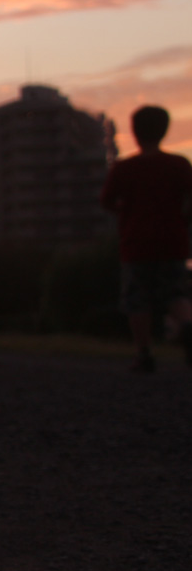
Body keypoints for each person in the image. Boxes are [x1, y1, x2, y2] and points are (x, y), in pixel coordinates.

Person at [100, 105, 192, 372]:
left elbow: (106, 201)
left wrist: (124, 213)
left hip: (136, 242)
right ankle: (187, 326)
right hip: (173, 240)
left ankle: (144, 353)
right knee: (175, 293)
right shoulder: (178, 164)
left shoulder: (124, 169)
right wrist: (184, 219)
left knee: (137, 298)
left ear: (135, 132)